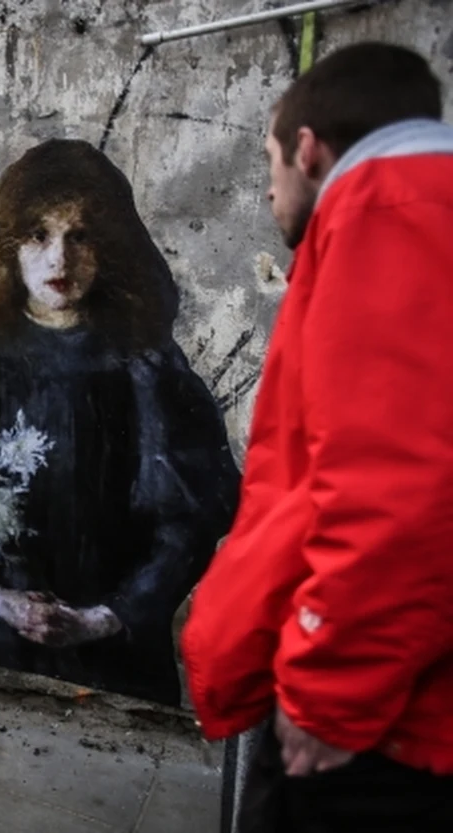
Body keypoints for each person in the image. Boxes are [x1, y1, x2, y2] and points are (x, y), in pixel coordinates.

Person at [182, 42, 453, 832]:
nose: (269, 190)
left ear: (309, 149)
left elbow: (399, 492)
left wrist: (328, 694)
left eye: (270, 161)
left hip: (382, 730)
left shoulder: (388, 209)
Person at [0, 138, 240, 707]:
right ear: (9, 245)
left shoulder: (144, 360)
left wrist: (103, 618)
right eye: (38, 235)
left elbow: (192, 519)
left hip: (110, 654)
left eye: (80, 236)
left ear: (109, 246)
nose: (59, 261)